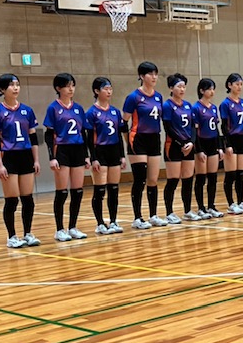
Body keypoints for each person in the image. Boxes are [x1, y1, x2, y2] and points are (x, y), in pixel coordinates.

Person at [0, 74, 41, 248]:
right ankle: (12, 236)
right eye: (11, 85)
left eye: (17, 84)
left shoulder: (27, 110)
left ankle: (28, 234)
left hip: (26, 155)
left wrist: (36, 160)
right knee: (12, 200)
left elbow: (33, 138)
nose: (16, 88)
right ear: (3, 89)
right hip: (9, 157)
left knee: (28, 199)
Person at [44, 73, 90, 241]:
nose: (71, 89)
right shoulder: (53, 108)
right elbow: (49, 135)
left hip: (77, 150)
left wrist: (86, 155)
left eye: (73, 85)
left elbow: (83, 133)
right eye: (67, 86)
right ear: (58, 88)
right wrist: (52, 157)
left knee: (77, 191)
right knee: (62, 192)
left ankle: (73, 227)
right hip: (62, 150)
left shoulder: (78, 108)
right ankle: (59, 229)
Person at [122, 61, 167, 229]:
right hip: (138, 139)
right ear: (141, 76)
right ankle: (137, 217)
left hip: (154, 139)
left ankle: (153, 215)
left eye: (156, 74)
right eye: (150, 74)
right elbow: (123, 122)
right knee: (140, 180)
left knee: (153, 179)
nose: (154, 77)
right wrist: (128, 141)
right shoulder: (133, 97)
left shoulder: (158, 96)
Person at [85, 77, 127, 235]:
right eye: (105, 89)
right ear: (96, 91)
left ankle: (113, 221)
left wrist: (122, 156)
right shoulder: (91, 113)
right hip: (100, 152)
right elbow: (89, 138)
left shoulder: (115, 111)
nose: (109, 91)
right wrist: (93, 158)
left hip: (114, 151)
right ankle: (100, 223)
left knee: (114, 189)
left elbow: (119, 135)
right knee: (100, 190)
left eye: (110, 88)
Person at [162, 73, 199, 223]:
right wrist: (181, 143)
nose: (182, 89)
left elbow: (193, 127)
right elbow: (168, 127)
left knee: (188, 179)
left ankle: (188, 211)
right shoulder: (167, 105)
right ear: (171, 88)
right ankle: (169, 212)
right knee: (173, 180)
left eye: (184, 86)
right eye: (179, 86)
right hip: (173, 146)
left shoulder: (188, 105)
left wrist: (191, 142)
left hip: (188, 145)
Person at [219, 73, 243, 215]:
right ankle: (231, 204)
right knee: (231, 174)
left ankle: (240, 202)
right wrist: (227, 144)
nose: (239, 87)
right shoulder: (225, 104)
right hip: (231, 139)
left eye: (241, 84)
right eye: (237, 84)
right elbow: (224, 126)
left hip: (242, 139)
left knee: (241, 174)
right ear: (229, 85)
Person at [192, 78, 224, 218]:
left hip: (213, 144)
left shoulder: (213, 108)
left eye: (213, 89)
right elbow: (195, 131)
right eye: (209, 89)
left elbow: (216, 128)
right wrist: (199, 150)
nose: (212, 92)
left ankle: (211, 206)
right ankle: (201, 208)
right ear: (201, 90)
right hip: (202, 143)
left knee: (213, 177)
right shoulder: (196, 108)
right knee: (201, 178)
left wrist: (220, 147)